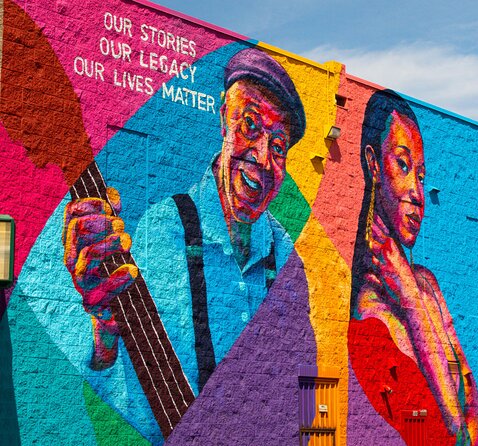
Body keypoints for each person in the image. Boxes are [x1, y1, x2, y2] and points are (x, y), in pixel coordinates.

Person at [61, 47, 306, 440]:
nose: (262, 157)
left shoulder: (287, 256)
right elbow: (123, 378)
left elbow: (306, 381)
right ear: (223, 117)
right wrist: (104, 333)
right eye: (250, 125)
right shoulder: (164, 228)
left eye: (279, 148)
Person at [348, 90, 478, 445]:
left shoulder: (427, 283)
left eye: (422, 176)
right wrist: (411, 303)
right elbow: (454, 430)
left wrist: (413, 292)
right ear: (374, 163)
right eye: (404, 166)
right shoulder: (369, 318)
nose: (417, 192)